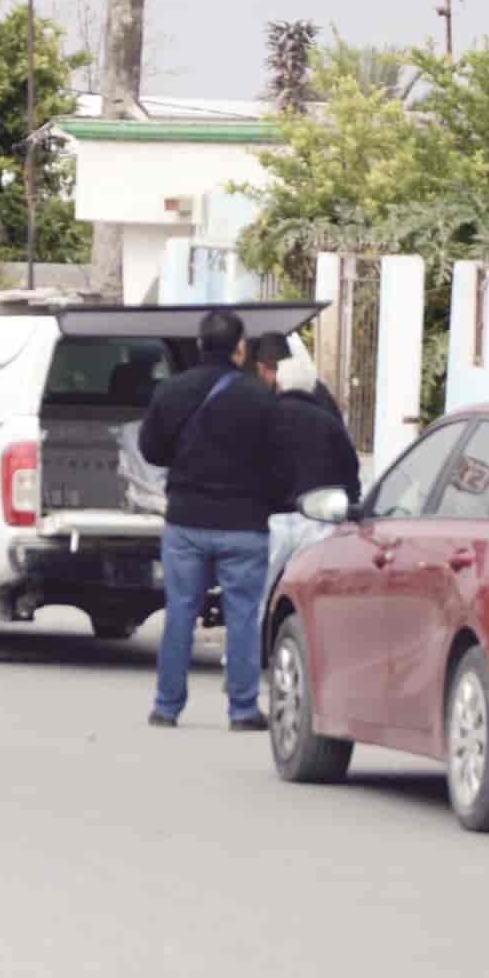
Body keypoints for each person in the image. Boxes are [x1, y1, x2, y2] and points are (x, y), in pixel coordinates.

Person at [136, 308, 287, 732]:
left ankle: (167, 707)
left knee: (180, 613)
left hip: (186, 521)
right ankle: (241, 710)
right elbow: (279, 459)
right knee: (241, 618)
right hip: (244, 525)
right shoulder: (260, 397)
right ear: (241, 349)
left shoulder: (172, 391)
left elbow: (150, 451)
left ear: (201, 345)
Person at [260, 351, 363, 588]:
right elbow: (350, 469)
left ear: (280, 383)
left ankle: (263, 625)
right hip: (319, 524)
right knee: (312, 592)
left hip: (272, 522)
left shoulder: (262, 418)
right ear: (311, 387)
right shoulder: (329, 423)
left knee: (263, 596)